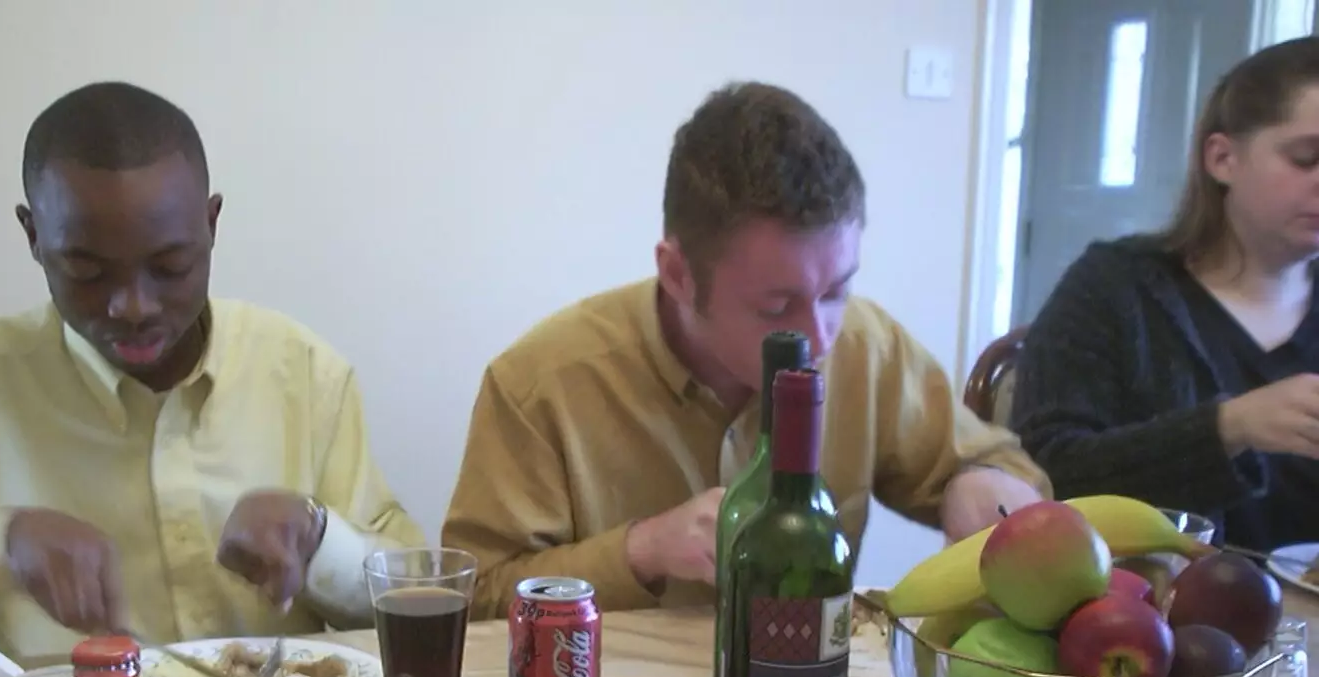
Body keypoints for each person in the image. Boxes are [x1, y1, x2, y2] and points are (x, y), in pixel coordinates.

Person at [0, 82, 422, 672]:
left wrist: (317, 535)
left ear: (212, 225)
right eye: (87, 271)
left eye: (171, 266)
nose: (133, 305)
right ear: (33, 237)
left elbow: (426, 590)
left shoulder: (304, 375)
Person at [441, 82, 1048, 621]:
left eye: (837, 291)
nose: (820, 337)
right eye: (776, 307)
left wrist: (979, 481)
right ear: (677, 274)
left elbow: (1012, 474)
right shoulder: (540, 384)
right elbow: (474, 599)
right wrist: (641, 550)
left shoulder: (869, 348)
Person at [1011, 37, 1319, 552]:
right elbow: (1044, 478)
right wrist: (1228, 428)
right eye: (1306, 158)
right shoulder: (1115, 288)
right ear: (1222, 158)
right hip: (1152, 619)